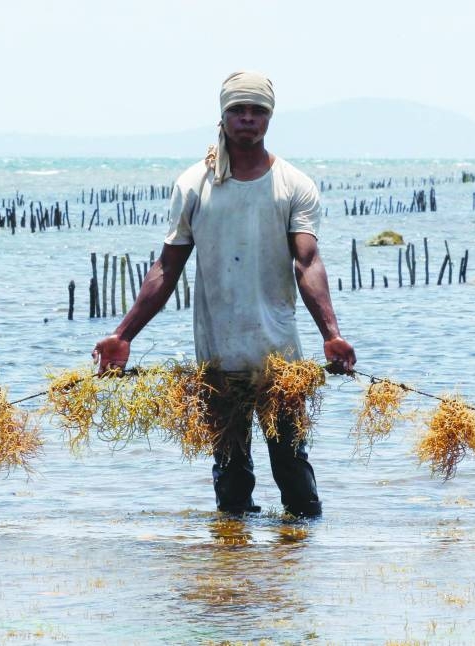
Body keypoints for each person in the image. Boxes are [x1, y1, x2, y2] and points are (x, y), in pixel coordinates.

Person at [92, 70, 356, 518]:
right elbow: (166, 268)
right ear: (224, 116)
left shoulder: (294, 184)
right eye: (239, 110)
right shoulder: (195, 184)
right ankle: (230, 574)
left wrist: (331, 333)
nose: (248, 119)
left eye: (258, 111)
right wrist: (123, 335)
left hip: (280, 363)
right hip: (217, 360)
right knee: (231, 483)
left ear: (270, 118)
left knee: (294, 476)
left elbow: (307, 262)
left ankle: (295, 573)